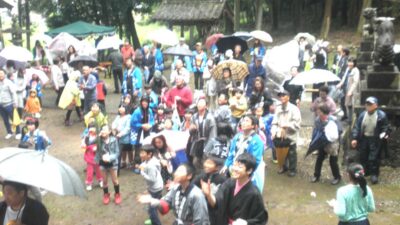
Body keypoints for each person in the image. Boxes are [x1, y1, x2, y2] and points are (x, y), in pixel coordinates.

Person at [201, 153, 268, 225]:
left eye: (240, 167)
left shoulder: (254, 193)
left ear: (249, 171)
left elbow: (260, 219)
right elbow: (217, 204)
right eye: (234, 165)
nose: (235, 169)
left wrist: (246, 223)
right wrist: (208, 195)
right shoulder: (229, 183)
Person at [137, 163, 210, 225]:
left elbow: (202, 221)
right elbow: (166, 204)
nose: (176, 173)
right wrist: (151, 200)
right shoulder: (176, 188)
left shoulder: (197, 195)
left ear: (189, 176)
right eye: (177, 170)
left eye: (180, 171)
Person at [351, 97, 389, 184]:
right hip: (364, 138)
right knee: (363, 156)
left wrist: (384, 134)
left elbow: (386, 127)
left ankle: (374, 174)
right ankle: (364, 171)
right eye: (367, 104)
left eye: (370, 104)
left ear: (375, 105)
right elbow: (357, 127)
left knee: (373, 157)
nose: (368, 106)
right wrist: (354, 138)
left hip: (375, 139)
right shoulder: (362, 115)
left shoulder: (381, 115)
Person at [221, 115, 265, 192]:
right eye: (243, 120)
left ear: (253, 126)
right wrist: (227, 165)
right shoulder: (237, 137)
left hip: (247, 170)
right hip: (235, 166)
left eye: (247, 121)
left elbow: (255, 160)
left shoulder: (257, 141)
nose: (243, 123)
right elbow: (231, 153)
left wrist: (246, 171)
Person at [271, 90, 302, 177]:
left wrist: (287, 125)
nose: (281, 97)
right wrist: (273, 131)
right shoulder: (278, 108)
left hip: (291, 134)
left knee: (291, 152)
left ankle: (292, 169)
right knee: (280, 151)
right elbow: (274, 122)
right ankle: (283, 166)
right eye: (280, 96)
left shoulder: (294, 109)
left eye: (283, 95)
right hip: (279, 134)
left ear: (288, 97)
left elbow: (298, 123)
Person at [310, 103, 341, 185]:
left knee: (333, 161)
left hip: (333, 143)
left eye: (319, 111)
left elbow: (339, 131)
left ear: (324, 112)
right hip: (322, 142)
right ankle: (316, 175)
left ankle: (337, 177)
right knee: (319, 158)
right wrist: (313, 142)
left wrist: (329, 132)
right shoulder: (317, 120)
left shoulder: (333, 120)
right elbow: (315, 131)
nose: (317, 112)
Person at [193, 156, 227, 225]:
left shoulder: (223, 179)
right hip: (202, 207)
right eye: (206, 162)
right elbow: (192, 186)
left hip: (216, 210)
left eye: (209, 163)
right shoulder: (202, 176)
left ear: (217, 167)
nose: (206, 164)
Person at [137, 145, 163, 225]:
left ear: (149, 154)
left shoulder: (151, 165)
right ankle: (152, 220)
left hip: (156, 189)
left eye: (142, 153)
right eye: (140, 152)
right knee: (151, 207)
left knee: (152, 209)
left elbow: (152, 180)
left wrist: (142, 172)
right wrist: (141, 167)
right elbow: (145, 165)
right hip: (155, 187)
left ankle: (156, 223)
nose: (140, 155)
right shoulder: (150, 160)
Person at [96, 125, 121, 205]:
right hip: (102, 163)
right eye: (102, 129)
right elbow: (91, 143)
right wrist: (98, 138)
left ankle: (117, 194)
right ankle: (106, 195)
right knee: (105, 181)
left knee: (115, 180)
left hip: (112, 163)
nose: (103, 131)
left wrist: (110, 157)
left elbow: (117, 152)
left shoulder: (114, 140)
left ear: (109, 131)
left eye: (105, 130)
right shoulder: (99, 140)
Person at [189, 98, 217, 170]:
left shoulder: (210, 118)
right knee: (195, 162)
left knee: (205, 162)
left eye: (201, 104)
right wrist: (192, 129)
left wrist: (209, 147)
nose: (199, 106)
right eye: (198, 104)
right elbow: (191, 132)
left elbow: (213, 135)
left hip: (207, 141)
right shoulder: (194, 117)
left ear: (206, 106)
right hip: (197, 142)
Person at [130, 96, 155, 168]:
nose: (145, 103)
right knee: (138, 149)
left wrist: (150, 125)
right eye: (143, 101)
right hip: (139, 133)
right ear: (141, 102)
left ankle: (146, 164)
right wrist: (142, 125)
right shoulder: (137, 111)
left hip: (147, 132)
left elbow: (152, 120)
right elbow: (133, 123)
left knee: (146, 147)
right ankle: (137, 164)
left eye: (146, 102)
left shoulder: (149, 110)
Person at [81, 123, 103, 191]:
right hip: (89, 155)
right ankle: (89, 183)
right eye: (90, 128)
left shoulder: (99, 136)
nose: (92, 130)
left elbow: (102, 145)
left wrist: (98, 148)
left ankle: (101, 180)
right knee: (89, 171)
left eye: (94, 128)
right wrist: (85, 146)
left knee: (98, 170)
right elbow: (83, 145)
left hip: (96, 155)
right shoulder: (86, 137)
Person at [336, 57, 359, 123]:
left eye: (351, 62)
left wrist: (351, 91)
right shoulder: (347, 69)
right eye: (349, 62)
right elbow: (344, 78)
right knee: (343, 102)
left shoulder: (356, 71)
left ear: (354, 63)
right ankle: (345, 115)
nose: (350, 63)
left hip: (351, 89)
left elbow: (355, 82)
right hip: (345, 88)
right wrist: (340, 84)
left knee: (350, 104)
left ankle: (350, 119)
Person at [112, 105, 132, 170]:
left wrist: (121, 133)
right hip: (118, 137)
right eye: (120, 107)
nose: (120, 109)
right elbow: (113, 124)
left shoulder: (128, 117)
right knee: (122, 151)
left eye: (122, 107)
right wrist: (114, 129)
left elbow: (128, 128)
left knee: (129, 150)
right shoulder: (118, 117)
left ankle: (130, 162)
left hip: (126, 138)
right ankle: (123, 162)